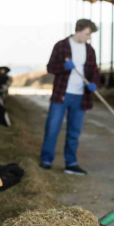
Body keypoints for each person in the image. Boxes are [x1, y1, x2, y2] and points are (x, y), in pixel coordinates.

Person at [39, 19, 100, 176]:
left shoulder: (90, 50)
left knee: (74, 131)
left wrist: (93, 83)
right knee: (52, 128)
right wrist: (63, 67)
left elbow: (94, 71)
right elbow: (50, 67)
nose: (88, 37)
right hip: (61, 95)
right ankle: (46, 160)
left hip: (81, 96)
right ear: (78, 30)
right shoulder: (61, 45)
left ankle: (71, 163)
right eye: (87, 34)